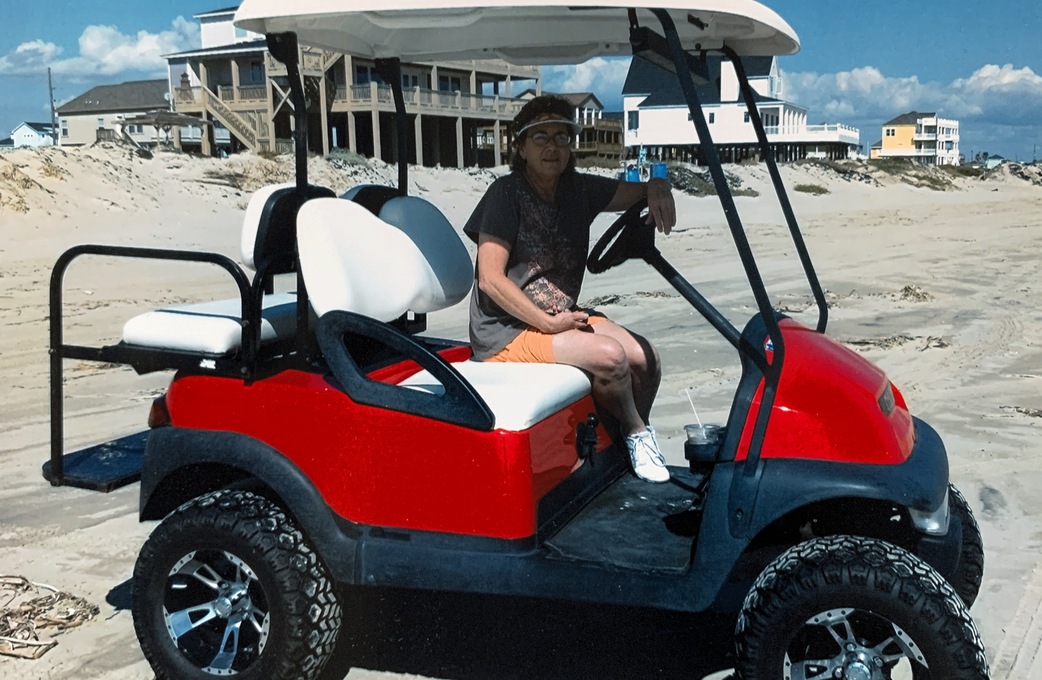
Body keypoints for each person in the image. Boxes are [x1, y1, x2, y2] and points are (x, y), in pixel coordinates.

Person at [464, 95, 676, 483]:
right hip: (505, 332)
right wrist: (547, 324)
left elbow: (637, 191)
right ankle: (636, 432)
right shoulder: (505, 195)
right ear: (521, 148)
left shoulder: (578, 189)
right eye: (540, 137)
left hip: (559, 318)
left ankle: (623, 446)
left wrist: (658, 185)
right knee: (611, 358)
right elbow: (490, 279)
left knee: (646, 358)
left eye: (561, 137)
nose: (552, 146)